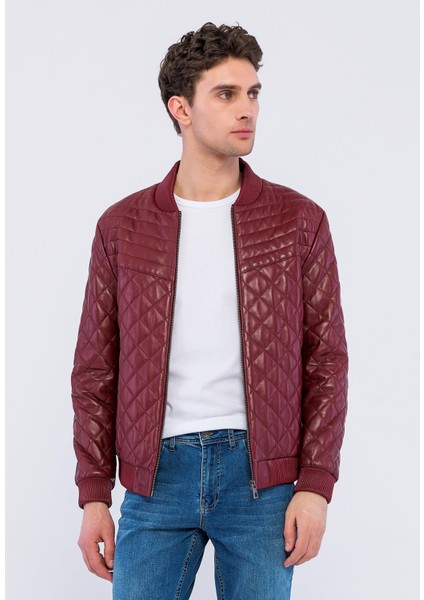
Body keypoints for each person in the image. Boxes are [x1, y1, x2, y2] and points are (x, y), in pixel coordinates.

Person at [72, 22, 348, 600]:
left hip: (263, 480)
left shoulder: (298, 222)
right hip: (155, 480)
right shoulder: (122, 228)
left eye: (253, 93)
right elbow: (95, 369)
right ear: (182, 109)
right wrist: (94, 494)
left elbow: (326, 361)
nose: (247, 109)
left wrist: (316, 484)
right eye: (226, 94)